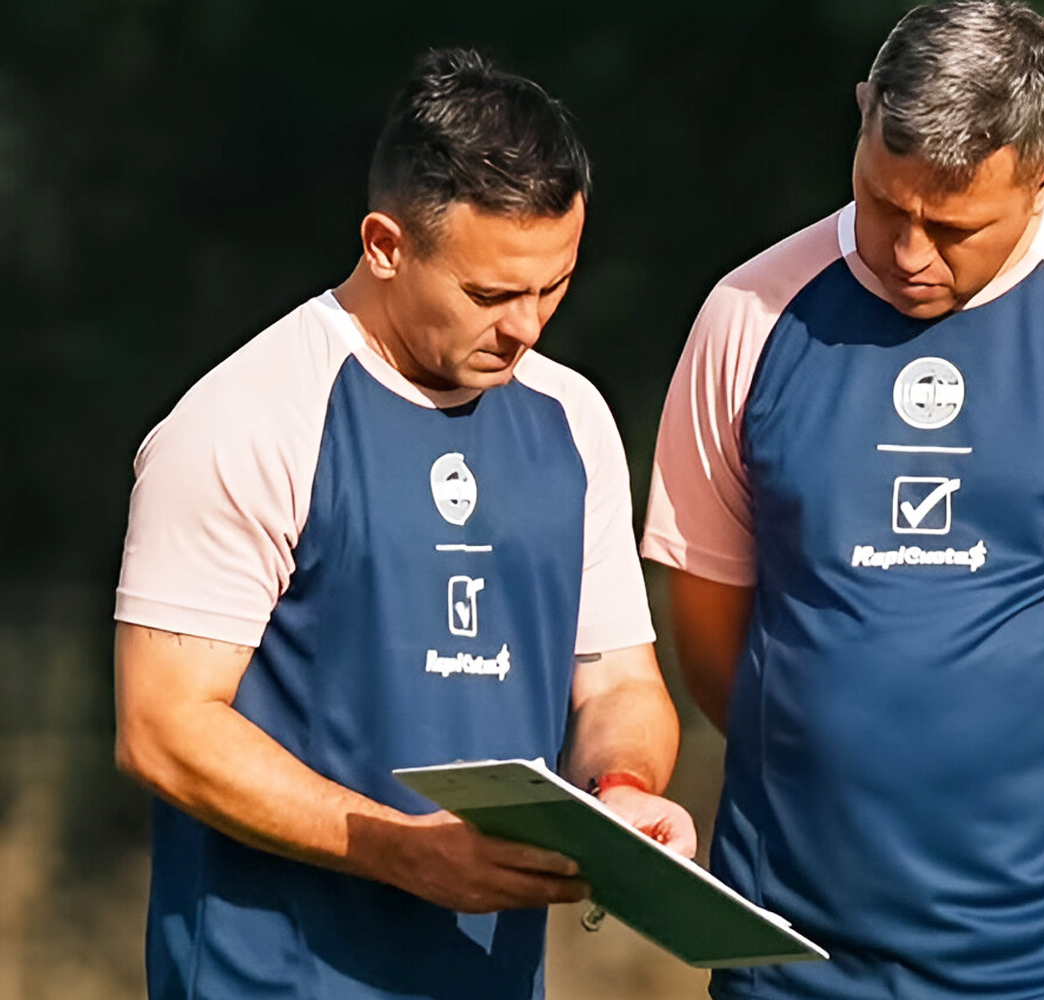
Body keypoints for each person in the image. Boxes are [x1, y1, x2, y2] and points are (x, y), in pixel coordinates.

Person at [641, 3, 1044, 999]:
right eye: (881, 202)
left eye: (952, 228)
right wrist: (851, 786)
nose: (908, 251)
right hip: (790, 961)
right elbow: (713, 646)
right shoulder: (746, 316)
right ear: (863, 114)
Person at [113, 48, 694, 1000]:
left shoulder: (573, 419)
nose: (527, 326)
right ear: (386, 245)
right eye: (490, 294)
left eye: (553, 284)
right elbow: (161, 727)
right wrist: (400, 851)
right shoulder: (248, 417)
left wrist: (622, 794)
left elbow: (618, 685)